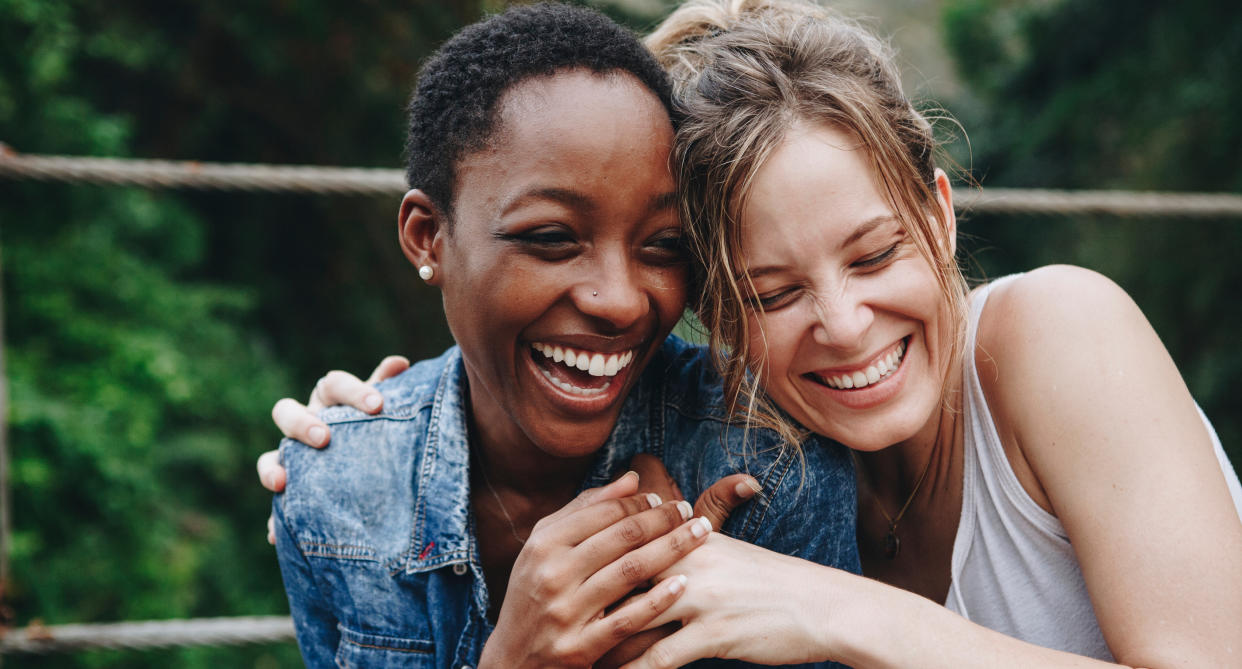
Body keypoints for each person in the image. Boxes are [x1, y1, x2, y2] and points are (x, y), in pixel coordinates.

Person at [273, 1, 1242, 666]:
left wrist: (842, 614)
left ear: (940, 216)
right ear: (710, 308)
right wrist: (383, 434)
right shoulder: (754, 461)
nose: (845, 326)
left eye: (873, 256)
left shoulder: (1055, 332)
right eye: (772, 293)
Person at [266, 4, 857, 668]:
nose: (621, 300)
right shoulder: (334, 493)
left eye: (663, 246)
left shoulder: (768, 466)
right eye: (551, 238)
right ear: (428, 236)